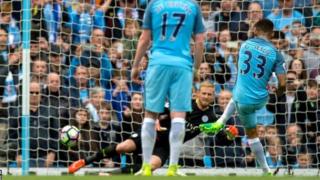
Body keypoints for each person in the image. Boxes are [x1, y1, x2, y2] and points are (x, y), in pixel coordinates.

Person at [67, 81, 239, 174]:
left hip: (167, 146)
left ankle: (109, 175)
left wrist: (228, 136)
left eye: (210, 94)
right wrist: (156, 121)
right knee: (123, 146)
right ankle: (84, 162)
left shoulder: (212, 116)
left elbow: (219, 139)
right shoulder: (183, 102)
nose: (207, 96)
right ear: (197, 94)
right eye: (204, 93)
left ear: (212, 97)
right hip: (154, 134)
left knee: (150, 166)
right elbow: (156, 108)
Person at [200, 19, 286, 176]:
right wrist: (277, 92)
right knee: (252, 134)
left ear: (254, 31)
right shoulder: (276, 54)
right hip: (258, 99)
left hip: (242, 96)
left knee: (239, 94)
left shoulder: (244, 46)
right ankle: (266, 171)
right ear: (272, 34)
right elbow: (283, 83)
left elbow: (243, 68)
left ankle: (220, 122)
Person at [131, 0, 205, 176]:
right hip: (182, 65)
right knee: (178, 116)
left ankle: (146, 167)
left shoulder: (154, 4)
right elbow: (200, 41)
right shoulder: (193, 6)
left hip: (157, 64)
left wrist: (135, 67)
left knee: (150, 115)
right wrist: (196, 68)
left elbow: (144, 38)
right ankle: (173, 167)